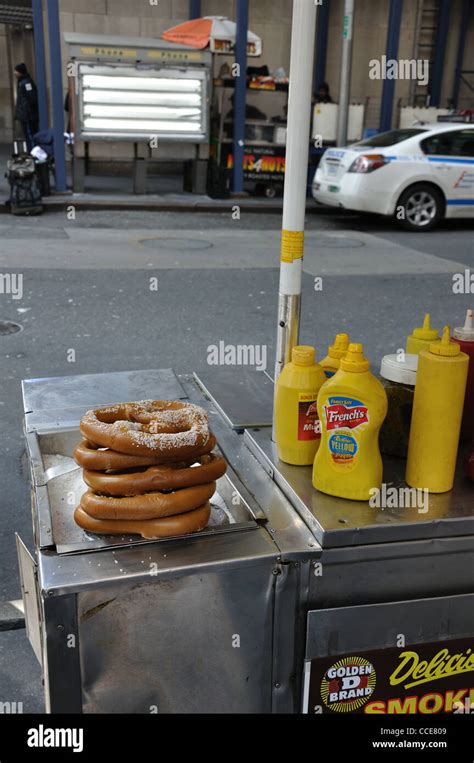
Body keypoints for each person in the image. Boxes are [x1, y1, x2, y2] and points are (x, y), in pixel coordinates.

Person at [14, 63, 39, 151]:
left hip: (28, 115)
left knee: (30, 135)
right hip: (26, 115)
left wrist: (27, 112)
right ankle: (32, 151)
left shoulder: (26, 83)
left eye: (16, 71)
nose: (15, 73)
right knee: (29, 136)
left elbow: (32, 99)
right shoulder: (22, 82)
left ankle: (33, 152)